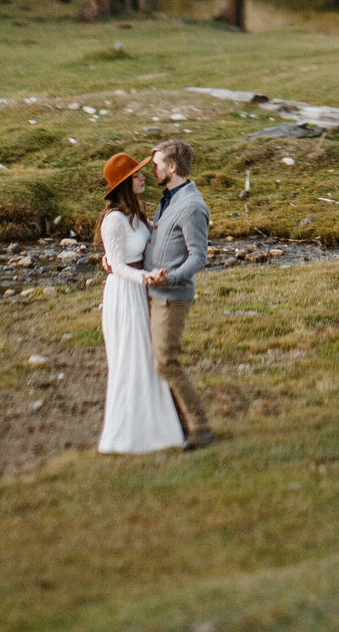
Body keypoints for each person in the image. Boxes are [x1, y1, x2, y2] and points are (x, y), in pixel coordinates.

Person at [94, 153, 184, 455]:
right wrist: (145, 277)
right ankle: (127, 434)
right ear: (123, 184)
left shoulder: (138, 217)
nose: (143, 177)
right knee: (130, 358)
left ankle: (159, 426)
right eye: (136, 175)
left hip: (142, 291)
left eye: (141, 173)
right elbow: (117, 266)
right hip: (125, 294)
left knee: (148, 356)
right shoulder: (114, 220)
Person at [139, 138, 217, 450]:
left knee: (167, 362)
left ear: (172, 168)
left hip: (172, 296)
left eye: (156, 164)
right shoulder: (169, 198)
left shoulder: (192, 206)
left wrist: (169, 277)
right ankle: (174, 424)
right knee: (157, 360)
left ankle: (200, 428)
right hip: (155, 293)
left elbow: (199, 256)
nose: (152, 170)